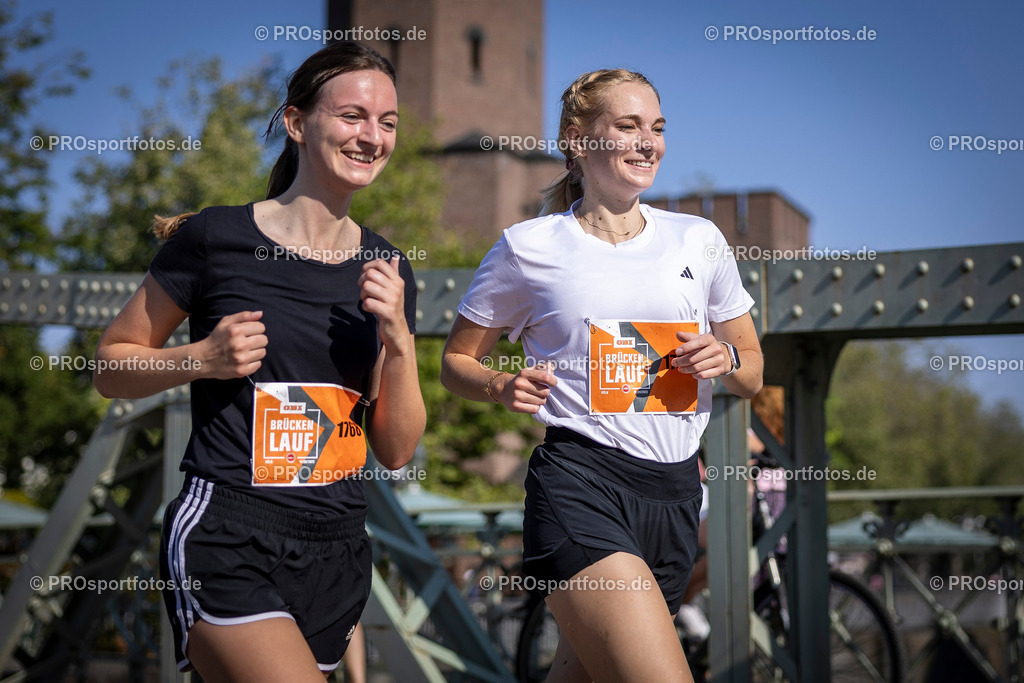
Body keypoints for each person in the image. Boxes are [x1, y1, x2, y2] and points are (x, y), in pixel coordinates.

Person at [93, 41, 425, 682]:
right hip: (229, 533)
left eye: (387, 122)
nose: (372, 136)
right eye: (352, 116)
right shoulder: (215, 239)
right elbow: (111, 366)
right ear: (297, 123)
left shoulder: (387, 268)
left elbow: (396, 450)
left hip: (336, 548)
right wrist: (199, 358)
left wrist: (400, 341)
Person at [440, 69, 762, 682]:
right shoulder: (527, 247)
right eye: (628, 126)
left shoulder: (698, 240)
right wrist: (500, 385)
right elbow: (456, 362)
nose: (648, 143)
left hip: (675, 496)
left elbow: (753, 373)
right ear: (577, 139)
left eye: (657, 128)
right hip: (581, 484)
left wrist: (727, 359)